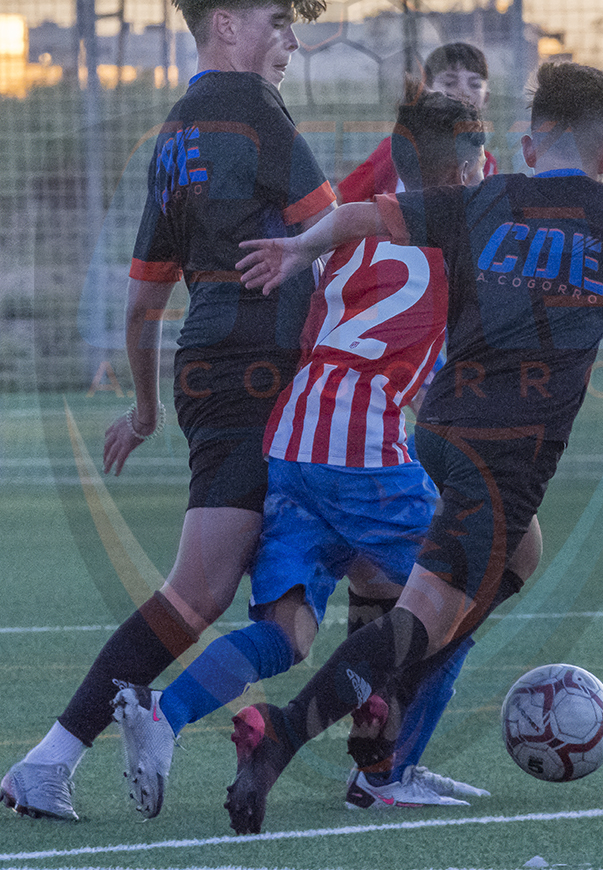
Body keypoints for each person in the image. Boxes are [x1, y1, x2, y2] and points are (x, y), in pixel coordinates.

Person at [224, 60, 603, 834]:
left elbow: (363, 216)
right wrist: (600, 323)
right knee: (424, 619)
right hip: (507, 454)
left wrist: (300, 248)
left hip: (439, 430)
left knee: (518, 555)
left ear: (530, 147)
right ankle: (296, 738)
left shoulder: (484, 200)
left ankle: (388, 720)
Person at [0, 0, 335, 822]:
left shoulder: (175, 133)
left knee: (284, 597)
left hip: (216, 369)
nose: (290, 43)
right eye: (277, 24)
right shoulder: (255, 111)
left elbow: (145, 301)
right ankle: (54, 758)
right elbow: (333, 230)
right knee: (202, 590)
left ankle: (374, 751)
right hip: (260, 373)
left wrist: (148, 409)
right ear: (226, 26)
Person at [111, 83, 510, 819]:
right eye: (482, 162)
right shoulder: (462, 237)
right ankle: (388, 771)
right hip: (361, 447)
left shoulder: (347, 236)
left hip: (293, 437)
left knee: (286, 633)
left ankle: (164, 711)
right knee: (456, 599)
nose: (487, 173)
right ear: (462, 172)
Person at [337, 42, 498, 205]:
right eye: (449, 82)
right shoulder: (399, 148)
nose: (463, 91)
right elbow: (341, 198)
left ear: (486, 98)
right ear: (427, 90)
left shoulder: (486, 163)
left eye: (475, 85)